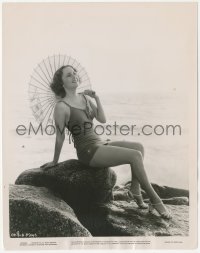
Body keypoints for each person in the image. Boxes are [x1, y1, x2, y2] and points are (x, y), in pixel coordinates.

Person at [40, 65, 172, 219]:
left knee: (139, 147)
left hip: (99, 143)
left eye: (75, 73)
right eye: (69, 75)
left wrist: (96, 98)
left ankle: (135, 189)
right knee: (135, 155)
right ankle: (155, 200)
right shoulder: (61, 107)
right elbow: (60, 136)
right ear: (61, 82)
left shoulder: (85, 98)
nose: (74, 76)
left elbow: (102, 120)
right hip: (88, 151)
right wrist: (55, 161)